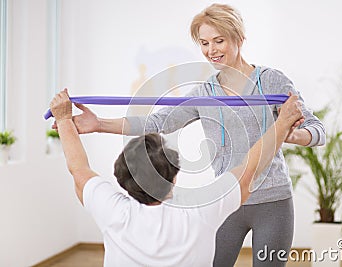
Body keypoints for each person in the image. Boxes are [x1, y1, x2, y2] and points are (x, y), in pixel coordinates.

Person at [55, 4, 326, 266]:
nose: (211, 50)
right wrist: (98, 123)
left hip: (273, 201)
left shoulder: (271, 81)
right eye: (204, 43)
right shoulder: (203, 93)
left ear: (239, 37)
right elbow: (160, 122)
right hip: (227, 201)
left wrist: (295, 136)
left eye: (218, 41)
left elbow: (316, 129)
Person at [49, 89, 304, 267]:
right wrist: (283, 123)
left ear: (121, 179)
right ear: (175, 175)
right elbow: (249, 170)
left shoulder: (111, 210)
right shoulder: (201, 211)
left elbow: (78, 169)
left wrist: (63, 119)